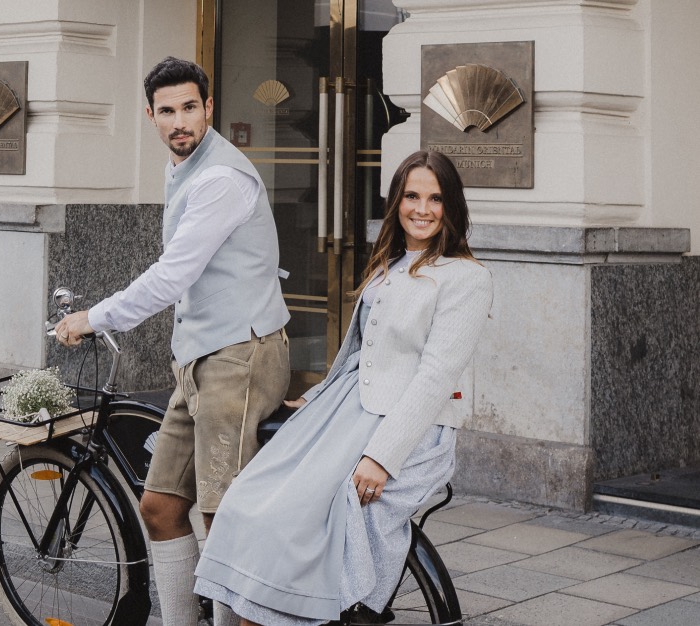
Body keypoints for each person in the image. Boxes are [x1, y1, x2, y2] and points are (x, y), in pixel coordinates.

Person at [193, 150, 494, 626]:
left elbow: (435, 377)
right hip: (344, 407)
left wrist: (382, 457)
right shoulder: (389, 264)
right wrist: (314, 397)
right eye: (411, 195)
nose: (422, 208)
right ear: (396, 202)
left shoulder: (466, 278)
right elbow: (360, 351)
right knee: (247, 501)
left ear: (451, 207)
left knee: (289, 524)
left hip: (394, 423)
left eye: (435, 198)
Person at [54, 56, 291, 626]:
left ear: (209, 108)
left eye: (190, 108)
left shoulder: (220, 178)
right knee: (160, 509)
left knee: (222, 520)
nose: (179, 120)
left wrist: (95, 317)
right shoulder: (183, 166)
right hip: (200, 358)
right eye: (167, 111)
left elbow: (173, 274)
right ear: (151, 116)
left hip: (241, 355)